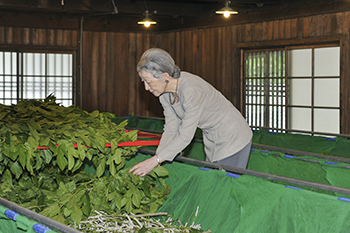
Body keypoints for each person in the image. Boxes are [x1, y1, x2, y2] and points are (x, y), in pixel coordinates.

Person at [129, 48, 252, 177]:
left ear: (165, 76)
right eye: (143, 82)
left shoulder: (191, 90)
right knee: (213, 180)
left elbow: (185, 135)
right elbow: (171, 128)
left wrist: (156, 160)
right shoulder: (164, 94)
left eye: (148, 82)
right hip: (212, 138)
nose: (146, 88)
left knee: (224, 184)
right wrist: (157, 159)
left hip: (233, 136)